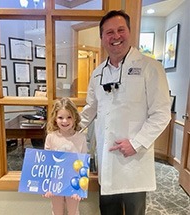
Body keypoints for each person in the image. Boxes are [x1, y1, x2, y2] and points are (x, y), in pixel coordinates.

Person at [80, 10, 171, 215]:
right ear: (102, 38)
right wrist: (65, 129)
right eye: (109, 32)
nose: (116, 36)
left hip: (134, 162)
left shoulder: (151, 68)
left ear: (129, 32)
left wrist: (136, 144)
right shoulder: (98, 73)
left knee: (134, 211)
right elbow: (90, 110)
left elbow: (162, 113)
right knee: (108, 211)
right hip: (107, 160)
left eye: (121, 30)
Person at [42, 97, 87, 215]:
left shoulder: (81, 138)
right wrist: (47, 186)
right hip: (55, 183)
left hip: (74, 184)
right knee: (56, 211)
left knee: (73, 211)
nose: (65, 121)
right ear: (55, 119)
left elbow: (84, 165)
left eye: (69, 117)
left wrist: (81, 189)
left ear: (75, 118)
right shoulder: (51, 137)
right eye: (60, 117)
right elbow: (47, 163)